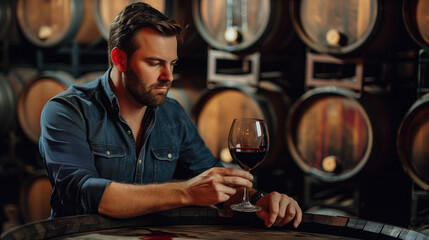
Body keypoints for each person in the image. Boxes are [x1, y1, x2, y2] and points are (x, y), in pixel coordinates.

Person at [39, 2, 302, 228]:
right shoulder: (67, 111)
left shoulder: (172, 114)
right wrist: (185, 192)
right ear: (119, 59)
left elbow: (213, 179)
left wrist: (259, 200)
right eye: (154, 64)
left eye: (172, 64)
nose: (168, 77)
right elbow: (83, 194)